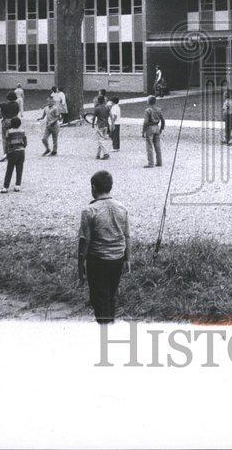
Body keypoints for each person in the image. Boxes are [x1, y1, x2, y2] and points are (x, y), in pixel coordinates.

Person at [77, 170, 130, 324]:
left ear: (93, 187)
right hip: (117, 259)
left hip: (97, 261)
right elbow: (127, 236)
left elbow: (84, 241)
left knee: (98, 298)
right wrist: (128, 259)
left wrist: (81, 266)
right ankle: (109, 325)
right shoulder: (122, 208)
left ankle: (105, 331)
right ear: (110, 187)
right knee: (110, 295)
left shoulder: (89, 211)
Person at [1, 116, 27, 192]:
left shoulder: (9, 132)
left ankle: (6, 187)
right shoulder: (22, 131)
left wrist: (6, 152)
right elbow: (25, 142)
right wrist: (22, 146)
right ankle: (17, 185)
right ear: (20, 124)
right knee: (19, 169)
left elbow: (7, 143)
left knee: (9, 169)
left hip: (12, 151)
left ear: (11, 124)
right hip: (21, 152)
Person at [141, 95, 165, 167]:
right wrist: (161, 129)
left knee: (149, 146)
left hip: (150, 128)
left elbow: (145, 122)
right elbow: (163, 121)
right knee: (157, 146)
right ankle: (159, 162)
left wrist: (143, 131)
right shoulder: (159, 109)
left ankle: (151, 163)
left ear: (149, 102)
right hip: (157, 127)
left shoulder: (148, 110)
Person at [0, 92, 20, 162]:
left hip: (6, 121)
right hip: (14, 121)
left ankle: (5, 153)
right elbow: (17, 112)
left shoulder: (5, 104)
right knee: (13, 137)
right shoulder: (16, 104)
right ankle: (13, 152)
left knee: (5, 138)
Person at [91, 95, 112, 160]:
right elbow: (110, 115)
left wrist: (92, 124)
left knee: (100, 140)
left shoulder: (97, 108)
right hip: (106, 125)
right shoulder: (107, 107)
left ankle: (106, 154)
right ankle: (98, 154)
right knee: (101, 139)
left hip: (100, 125)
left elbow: (93, 117)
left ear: (98, 101)